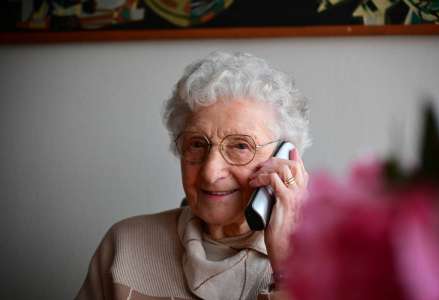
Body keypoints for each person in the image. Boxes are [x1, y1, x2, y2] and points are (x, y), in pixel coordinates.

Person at [75, 51, 311, 300]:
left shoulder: (332, 261)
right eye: (197, 144)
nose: (210, 173)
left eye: (240, 146)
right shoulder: (125, 245)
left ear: (283, 158)